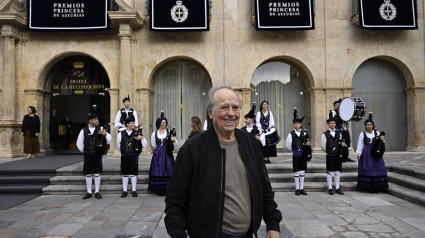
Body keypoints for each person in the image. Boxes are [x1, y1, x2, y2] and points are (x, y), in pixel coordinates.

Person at [165, 84, 282, 238]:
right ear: (211, 113)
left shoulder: (250, 143)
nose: (231, 113)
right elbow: (175, 198)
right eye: (224, 107)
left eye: (235, 107)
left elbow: (264, 187)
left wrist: (273, 224)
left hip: (247, 234)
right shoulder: (193, 148)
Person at [76, 107, 111, 200]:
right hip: (87, 155)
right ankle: (88, 192)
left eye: (97, 119)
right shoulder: (83, 130)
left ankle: (97, 192)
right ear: (90, 120)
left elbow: (109, 140)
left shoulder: (101, 128)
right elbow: (79, 143)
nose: (97, 121)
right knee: (87, 173)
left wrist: (106, 134)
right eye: (95, 119)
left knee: (97, 173)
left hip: (97, 155)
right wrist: (86, 152)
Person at [356, 112, 388, 193]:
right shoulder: (362, 134)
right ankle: (368, 187)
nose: (369, 126)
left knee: (377, 168)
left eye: (370, 125)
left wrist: (382, 140)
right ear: (365, 126)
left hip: (375, 153)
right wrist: (359, 153)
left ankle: (378, 186)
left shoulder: (377, 133)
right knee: (368, 168)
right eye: (367, 125)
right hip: (366, 154)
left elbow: (381, 143)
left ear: (373, 125)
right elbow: (360, 144)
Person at [117, 115, 147, 198]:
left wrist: (142, 138)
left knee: (134, 173)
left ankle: (134, 190)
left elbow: (145, 145)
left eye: (134, 123)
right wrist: (124, 152)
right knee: (124, 173)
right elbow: (119, 145)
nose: (134, 124)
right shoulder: (121, 133)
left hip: (134, 156)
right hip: (124, 156)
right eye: (132, 123)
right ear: (127, 124)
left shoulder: (137, 133)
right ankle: (125, 190)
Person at [149, 111, 178, 196]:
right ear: (159, 123)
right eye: (162, 123)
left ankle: (168, 188)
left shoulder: (169, 132)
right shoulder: (154, 133)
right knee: (158, 170)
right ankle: (159, 189)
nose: (164, 124)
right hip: (158, 154)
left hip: (167, 154)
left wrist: (174, 140)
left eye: (165, 123)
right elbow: (153, 144)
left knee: (168, 169)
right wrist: (159, 149)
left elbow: (176, 144)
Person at [321, 110, 347, 195]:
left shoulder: (339, 133)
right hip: (330, 155)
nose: (332, 124)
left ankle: (338, 187)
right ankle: (330, 187)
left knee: (337, 172)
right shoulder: (325, 134)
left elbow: (341, 142)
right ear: (328, 124)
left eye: (334, 123)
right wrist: (329, 151)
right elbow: (323, 146)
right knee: (329, 171)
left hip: (337, 155)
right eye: (331, 123)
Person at [286, 108, 310, 196]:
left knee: (302, 171)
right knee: (296, 171)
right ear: (293, 124)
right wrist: (294, 149)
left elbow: (308, 142)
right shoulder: (291, 134)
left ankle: (302, 188)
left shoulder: (304, 133)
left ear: (300, 124)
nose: (297, 125)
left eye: (298, 123)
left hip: (303, 154)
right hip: (296, 154)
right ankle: (297, 188)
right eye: (295, 123)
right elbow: (288, 145)